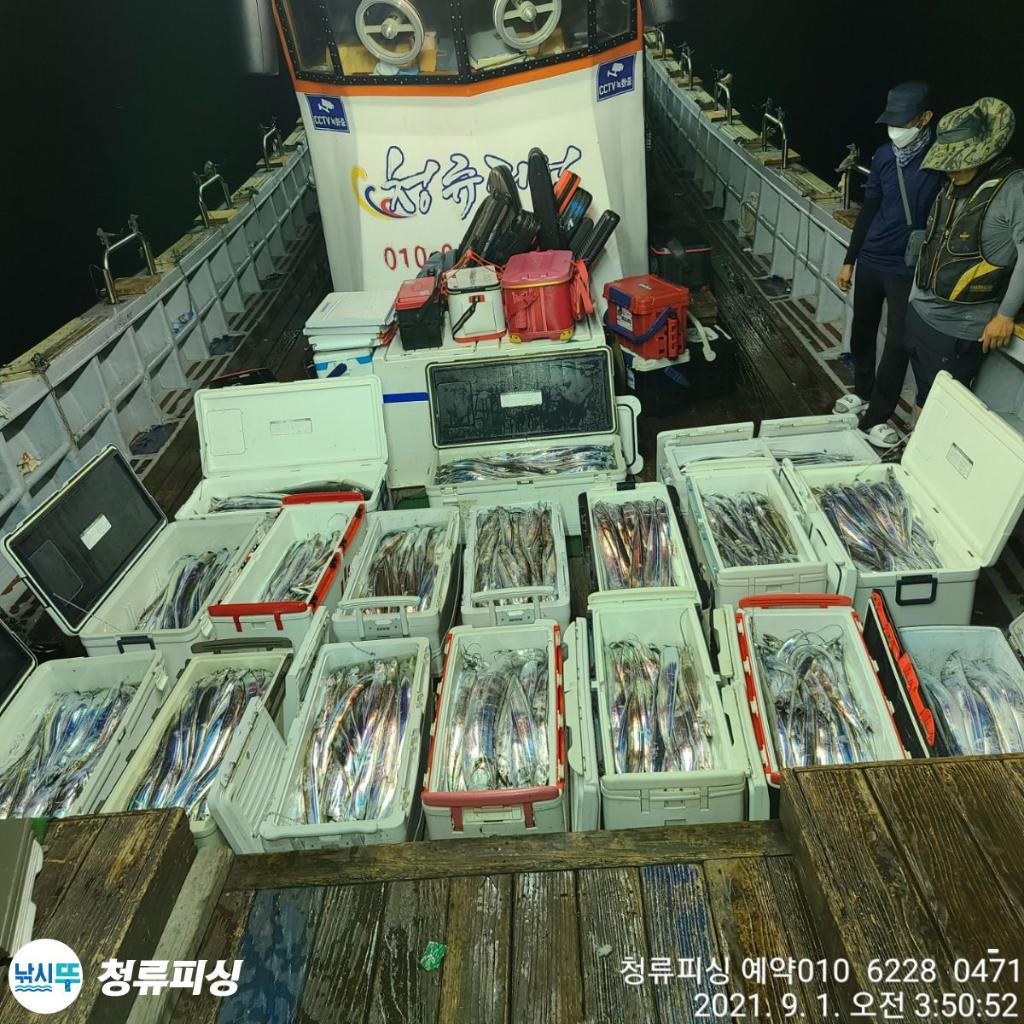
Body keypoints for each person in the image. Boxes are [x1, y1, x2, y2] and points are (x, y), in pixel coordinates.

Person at [835, 82, 943, 446]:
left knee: (898, 342)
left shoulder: (941, 159)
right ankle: (863, 391)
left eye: (904, 121)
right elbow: (869, 210)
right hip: (871, 257)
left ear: (926, 118)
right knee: (861, 331)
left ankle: (877, 416)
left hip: (905, 267)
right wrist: (849, 260)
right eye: (891, 122)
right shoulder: (883, 155)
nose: (895, 129)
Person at [907, 97, 1023, 410]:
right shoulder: (955, 181)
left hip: (959, 328)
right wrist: (914, 299)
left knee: (942, 408)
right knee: (923, 397)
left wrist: (1005, 315)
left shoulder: (1015, 189)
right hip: (920, 314)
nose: (950, 170)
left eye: (958, 161)